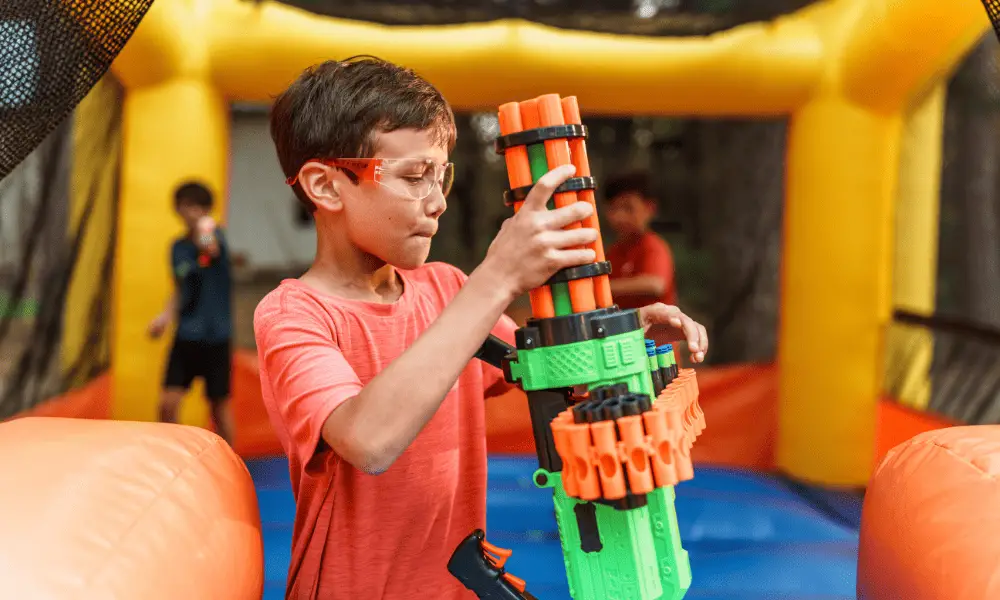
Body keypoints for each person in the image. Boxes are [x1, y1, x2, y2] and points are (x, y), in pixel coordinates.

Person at [254, 56, 709, 600]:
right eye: (414, 176)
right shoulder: (296, 315)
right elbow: (367, 439)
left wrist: (626, 331)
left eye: (440, 174)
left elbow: (543, 365)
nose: (438, 201)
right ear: (325, 186)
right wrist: (497, 278)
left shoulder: (448, 289)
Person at [148, 181, 235, 446]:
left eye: (198, 206)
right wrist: (164, 317)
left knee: (218, 407)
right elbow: (179, 287)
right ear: (178, 209)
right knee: (167, 404)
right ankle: (173, 456)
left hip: (216, 336)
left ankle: (232, 460)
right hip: (186, 335)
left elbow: (210, 250)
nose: (191, 211)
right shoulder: (177, 248)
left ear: (206, 209)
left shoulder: (214, 236)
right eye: (186, 206)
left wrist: (205, 225)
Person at [603, 171, 678, 311]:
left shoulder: (653, 246)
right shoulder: (614, 251)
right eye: (613, 208)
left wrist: (602, 287)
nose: (619, 217)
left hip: (654, 331)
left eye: (628, 208)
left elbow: (656, 284)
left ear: (650, 208)